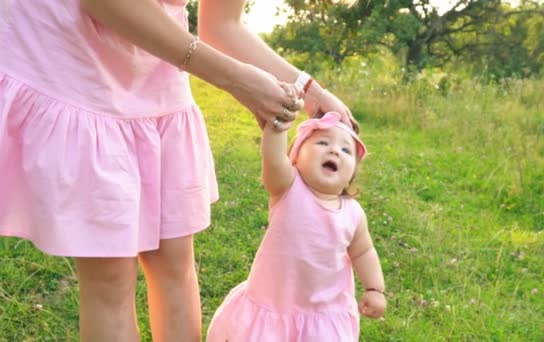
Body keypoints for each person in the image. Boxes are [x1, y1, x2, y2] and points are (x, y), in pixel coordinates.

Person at [0, 0, 356, 341]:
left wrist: (309, 91)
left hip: (157, 55)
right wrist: (234, 79)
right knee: (110, 275)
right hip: (73, 57)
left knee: (173, 259)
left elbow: (222, 25)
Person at [206, 112, 387, 341]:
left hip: (324, 314)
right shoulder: (288, 189)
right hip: (273, 303)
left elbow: (363, 252)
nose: (334, 150)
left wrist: (374, 288)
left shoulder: (353, 213)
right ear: (295, 158)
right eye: (322, 142)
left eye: (346, 150)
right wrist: (278, 125)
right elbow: (272, 159)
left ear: (352, 174)